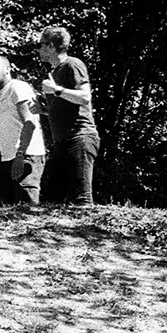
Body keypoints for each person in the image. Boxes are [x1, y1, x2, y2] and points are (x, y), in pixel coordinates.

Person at [36, 25, 96, 204]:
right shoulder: (54, 72)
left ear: (52, 46)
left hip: (80, 137)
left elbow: (85, 97)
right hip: (61, 141)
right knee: (52, 199)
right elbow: (63, 107)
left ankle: (89, 231)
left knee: (82, 198)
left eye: (41, 45)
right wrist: (43, 110)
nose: (39, 49)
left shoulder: (73, 64)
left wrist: (56, 90)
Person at [0, 54, 44, 206]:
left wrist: (20, 156)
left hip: (26, 156)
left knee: (27, 213)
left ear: (8, 69)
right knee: (7, 214)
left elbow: (30, 122)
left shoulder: (17, 87)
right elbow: (7, 134)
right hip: (8, 159)